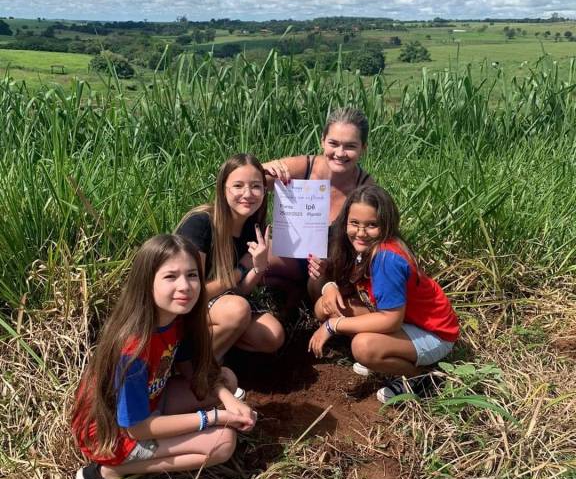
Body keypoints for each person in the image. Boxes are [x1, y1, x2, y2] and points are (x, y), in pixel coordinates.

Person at [72, 234, 257, 479]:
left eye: (192, 275)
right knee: (222, 443)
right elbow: (137, 427)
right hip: (111, 435)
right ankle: (108, 474)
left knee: (226, 379)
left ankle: (133, 460)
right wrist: (213, 417)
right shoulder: (132, 348)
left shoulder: (174, 319)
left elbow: (190, 367)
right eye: (171, 276)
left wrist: (227, 399)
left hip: (151, 403)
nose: (185, 286)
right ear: (147, 282)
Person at [308, 185, 459, 403]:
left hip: (434, 333)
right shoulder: (357, 248)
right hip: (404, 320)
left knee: (363, 347)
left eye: (371, 225)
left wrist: (333, 326)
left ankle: (420, 377)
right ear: (345, 222)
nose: (361, 232)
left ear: (386, 224)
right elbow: (340, 285)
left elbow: (391, 320)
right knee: (326, 305)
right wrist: (329, 284)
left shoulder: (387, 258)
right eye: (354, 223)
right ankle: (386, 356)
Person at [176, 154, 285, 362]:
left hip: (221, 306)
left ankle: (218, 347)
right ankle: (198, 367)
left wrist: (258, 268)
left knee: (272, 335)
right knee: (237, 310)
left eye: (256, 186)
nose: (248, 194)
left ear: (265, 191)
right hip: (187, 308)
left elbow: (239, 291)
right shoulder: (200, 224)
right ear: (223, 189)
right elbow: (192, 293)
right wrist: (240, 270)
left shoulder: (253, 228)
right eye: (238, 186)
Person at [263, 107, 374, 298]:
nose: (340, 153)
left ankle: (306, 299)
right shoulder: (306, 166)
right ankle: (290, 292)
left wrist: (333, 265)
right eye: (333, 143)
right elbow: (244, 181)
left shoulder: (365, 188)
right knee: (249, 259)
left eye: (350, 146)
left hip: (331, 268)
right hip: (292, 255)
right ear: (322, 141)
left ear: (363, 148)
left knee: (322, 283)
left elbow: (371, 243)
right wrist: (264, 169)